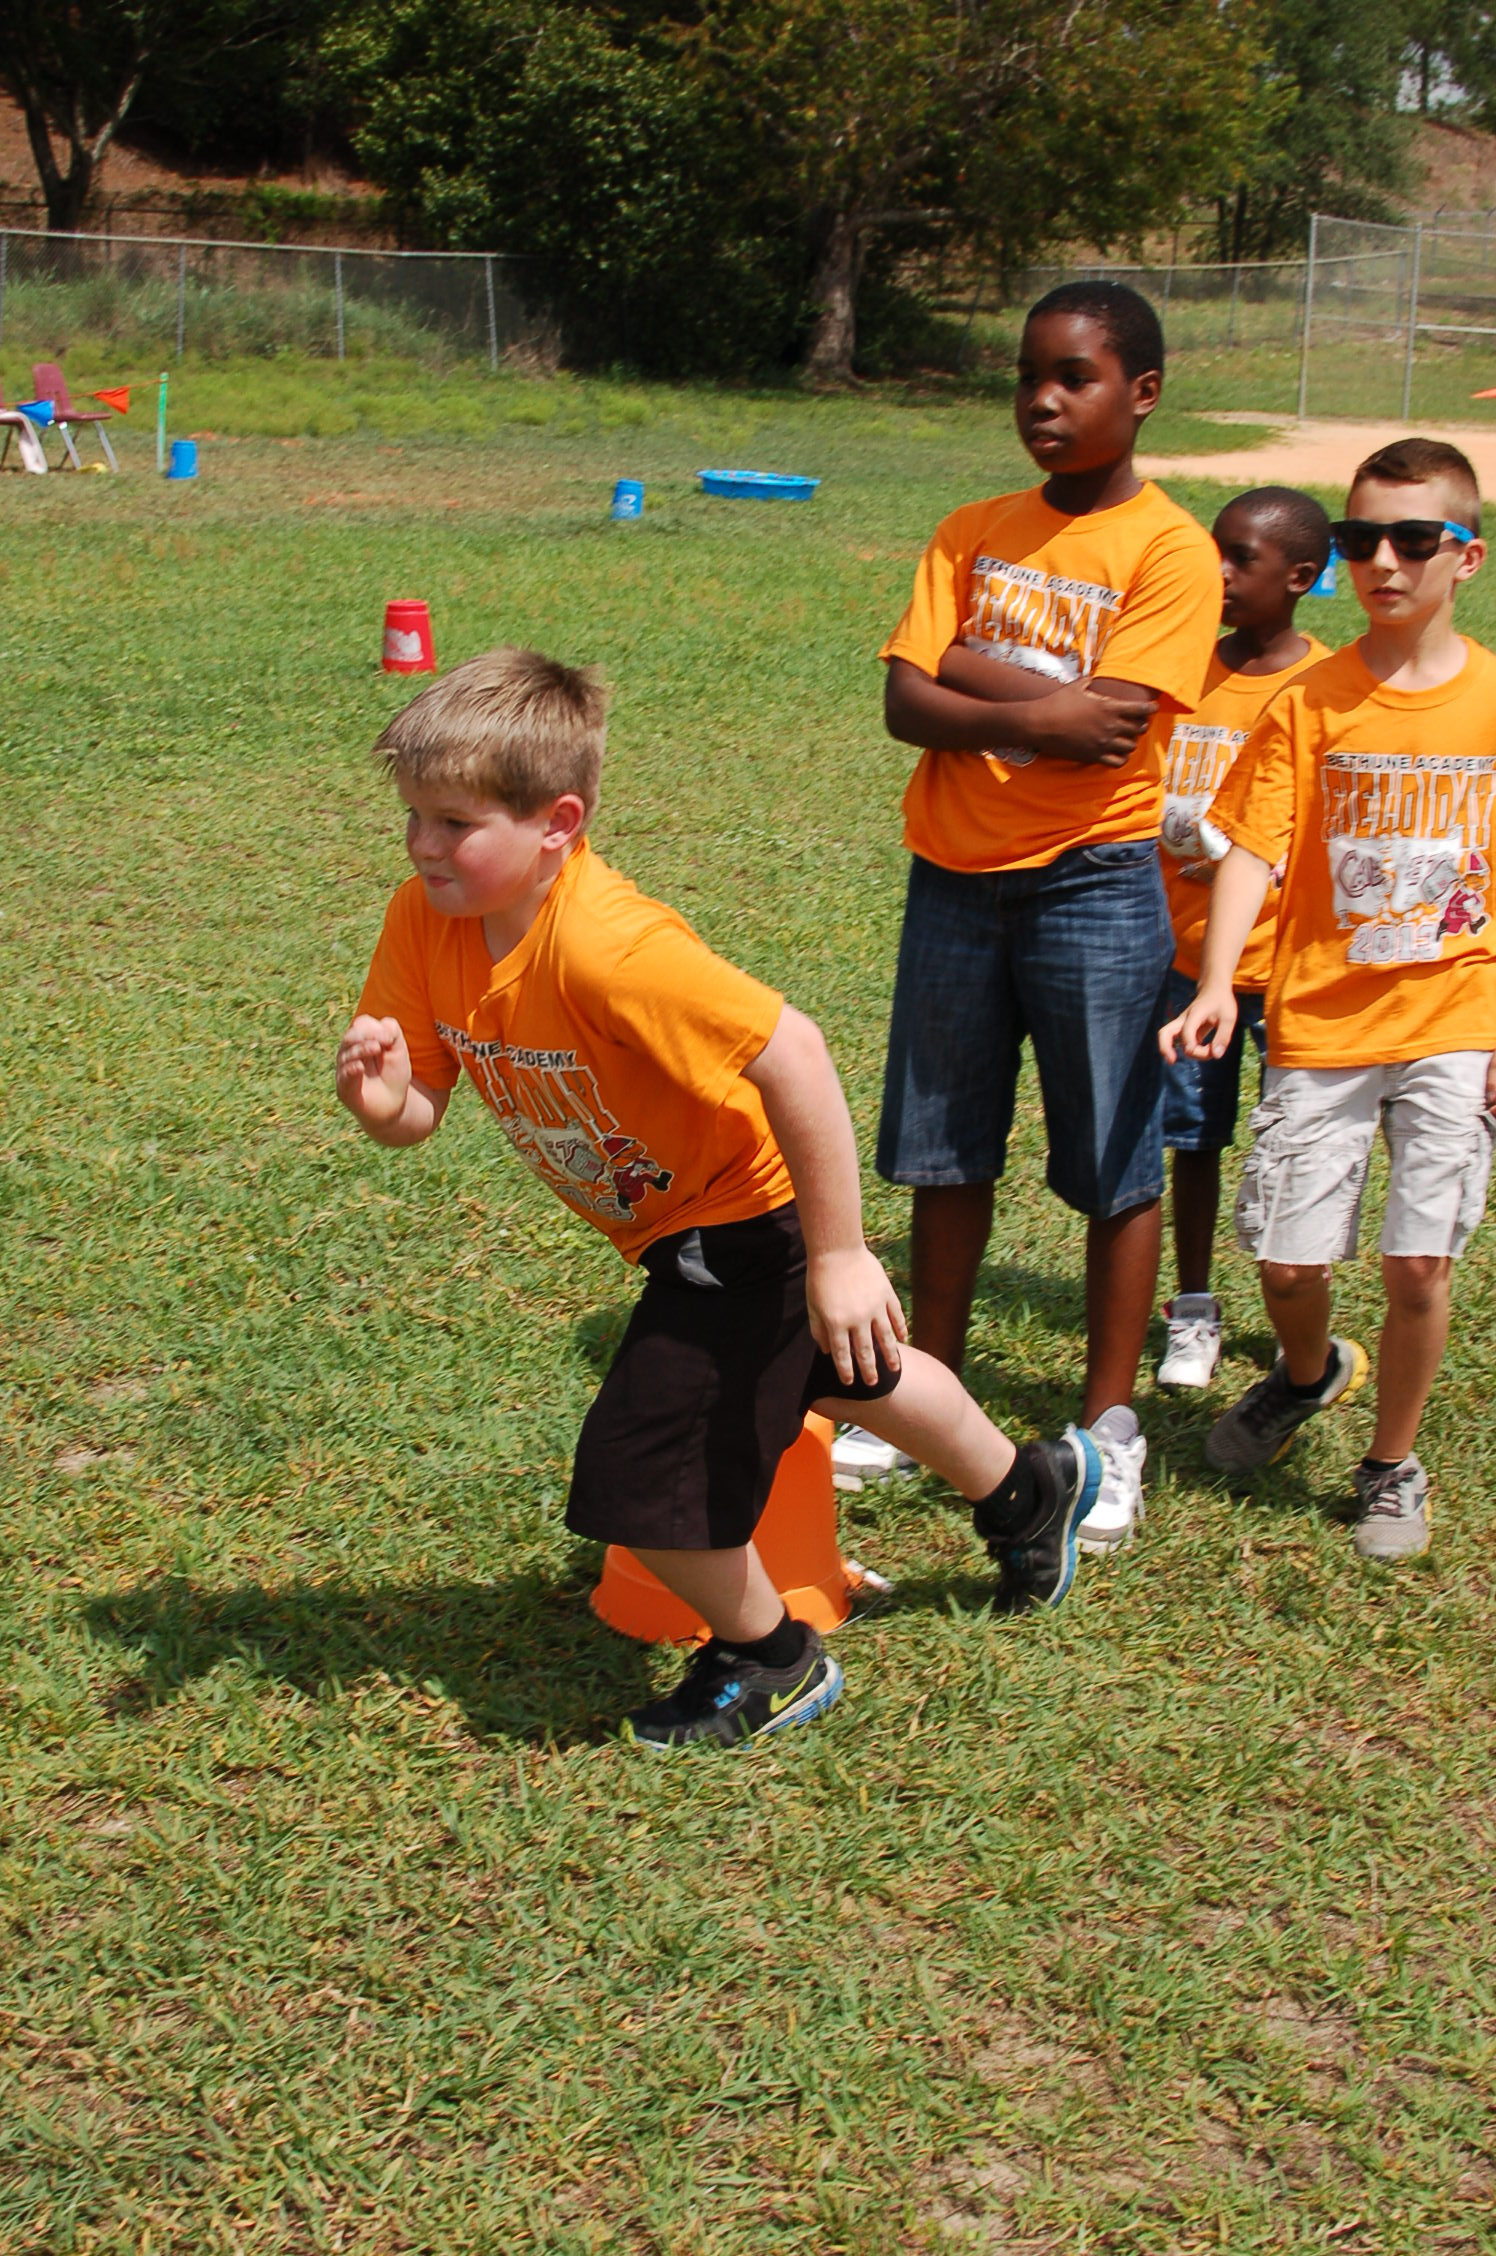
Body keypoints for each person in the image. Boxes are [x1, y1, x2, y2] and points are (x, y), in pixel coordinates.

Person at [336, 649, 1106, 1753]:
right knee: (857, 1376)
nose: (421, 846)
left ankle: (770, 1657)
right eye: (410, 817)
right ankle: (1030, 1493)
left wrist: (839, 1256)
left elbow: (792, 1052)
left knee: (642, 1473)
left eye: (453, 823)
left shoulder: (610, 947)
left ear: (557, 821)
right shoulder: (429, 917)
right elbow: (421, 1113)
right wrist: (383, 1099)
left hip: (747, 1220)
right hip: (681, 1221)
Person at [842, 279, 1220, 1554]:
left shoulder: (1169, 549)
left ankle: (1107, 1427)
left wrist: (971, 681)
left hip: (1093, 885)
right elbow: (904, 701)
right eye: (1026, 378)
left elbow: (1109, 729)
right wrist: (1033, 713)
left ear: (1141, 394)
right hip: (951, 876)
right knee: (942, 1147)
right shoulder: (968, 528)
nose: (1042, 402)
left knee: (1113, 1159)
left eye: (1074, 378)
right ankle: (921, 1395)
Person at [1161, 438, 1496, 1558]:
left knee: (1416, 1261)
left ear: (1467, 557)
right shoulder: (1309, 703)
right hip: (1320, 1017)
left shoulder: (1491, 698)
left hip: (1454, 1012)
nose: (1382, 563)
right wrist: (1215, 984)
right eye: (1359, 541)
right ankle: (1306, 1374)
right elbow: (1250, 848)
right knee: (1289, 1262)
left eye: (1414, 540)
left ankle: (1388, 1464)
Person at [1152, 486, 1332, 1389]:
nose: (1216, 572)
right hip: (1186, 960)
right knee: (1190, 1138)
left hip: (1290, 971)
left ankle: (1294, 1310)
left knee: (1294, 1148)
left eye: (1240, 559)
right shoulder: (1184, 666)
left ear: (1300, 577)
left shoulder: (1328, 689)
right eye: (1211, 549)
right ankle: (1192, 1308)